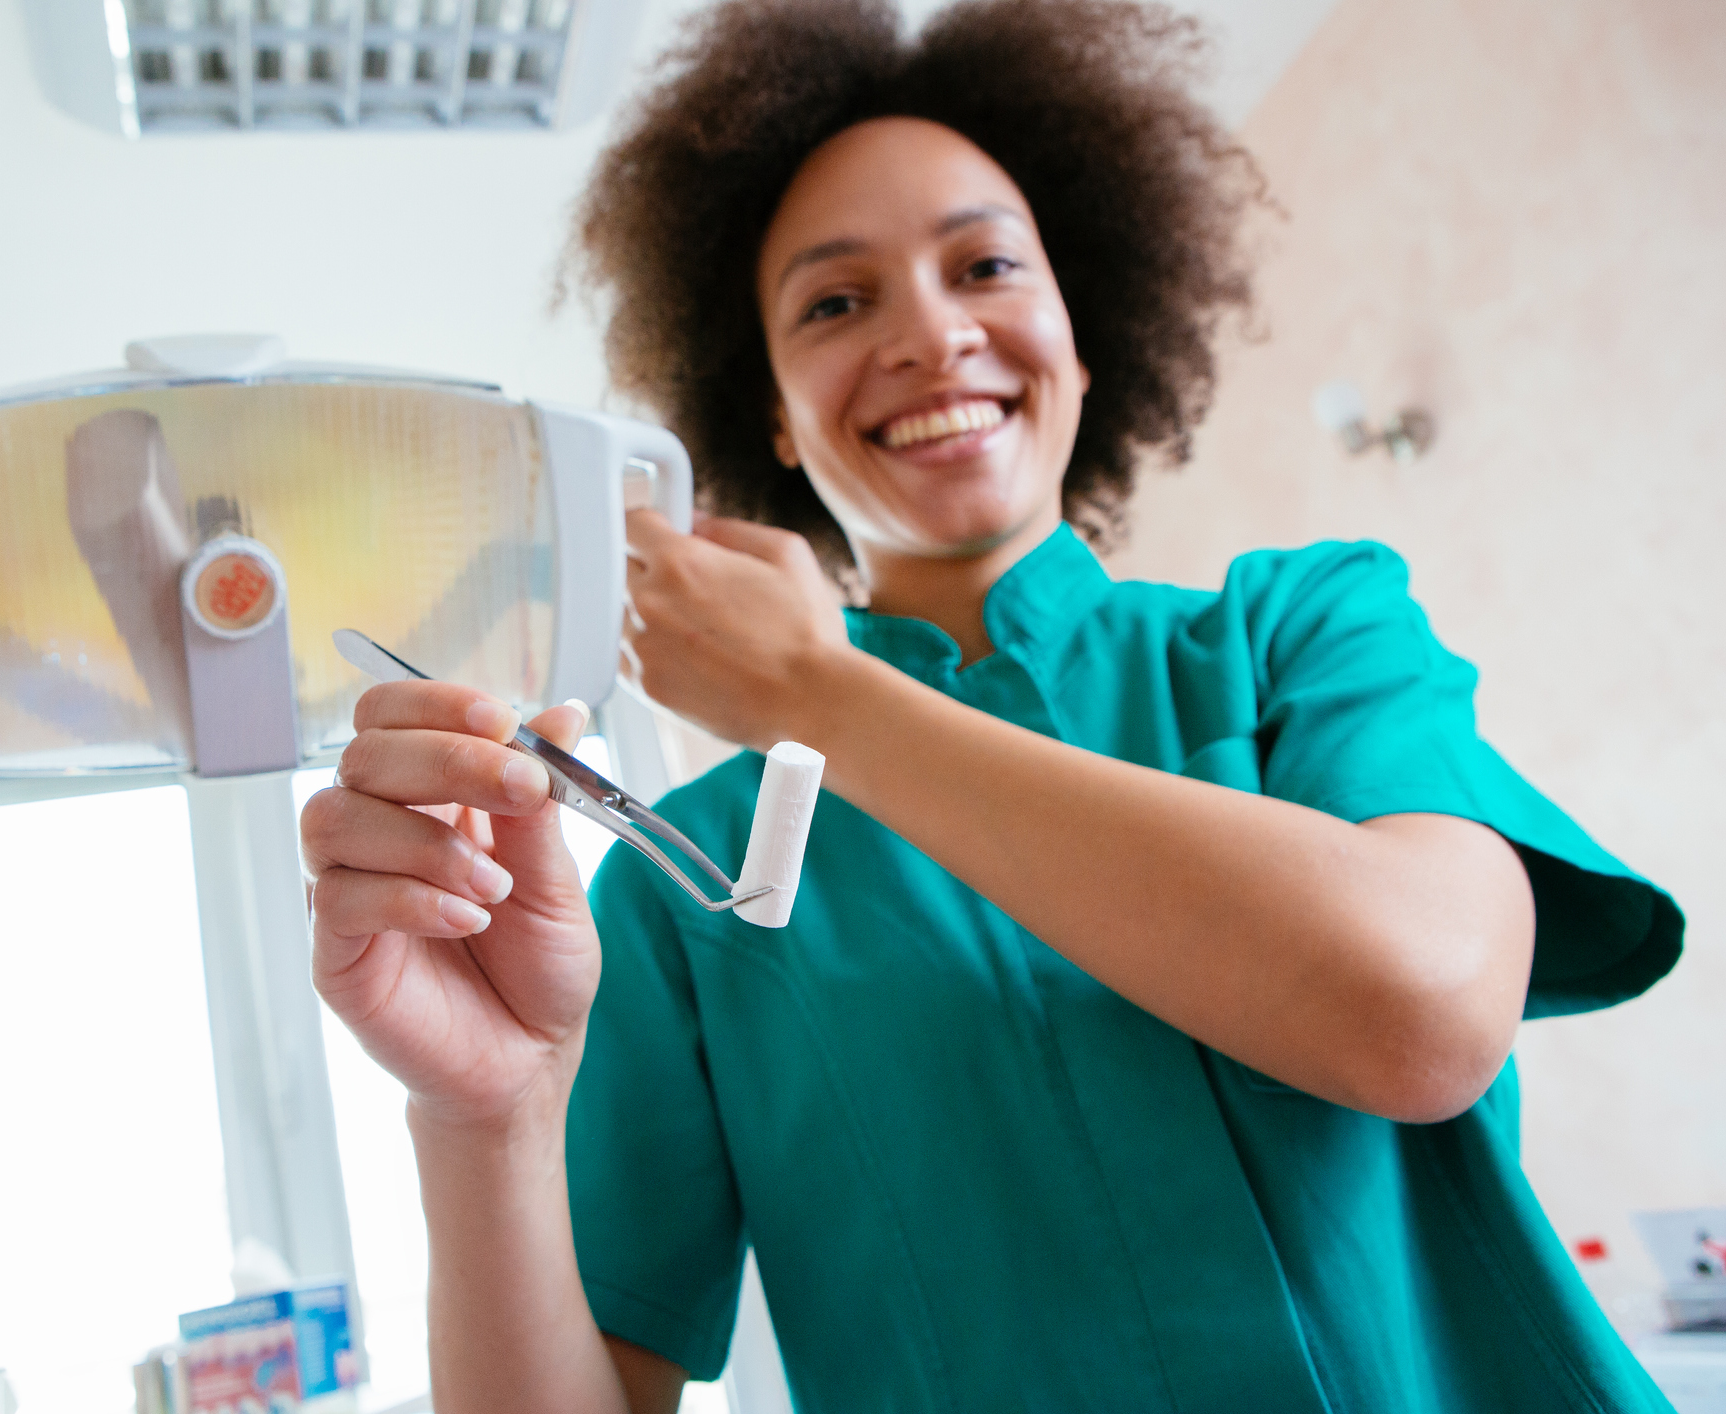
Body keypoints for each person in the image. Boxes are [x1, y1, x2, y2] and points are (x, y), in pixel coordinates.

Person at [299, 1, 1685, 1409]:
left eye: (985, 265)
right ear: (770, 414)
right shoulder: (682, 889)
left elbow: (1427, 1010)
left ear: (1078, 332)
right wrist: (484, 1117)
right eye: (836, 303)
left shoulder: (1306, 631)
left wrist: (815, 688)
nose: (929, 332)